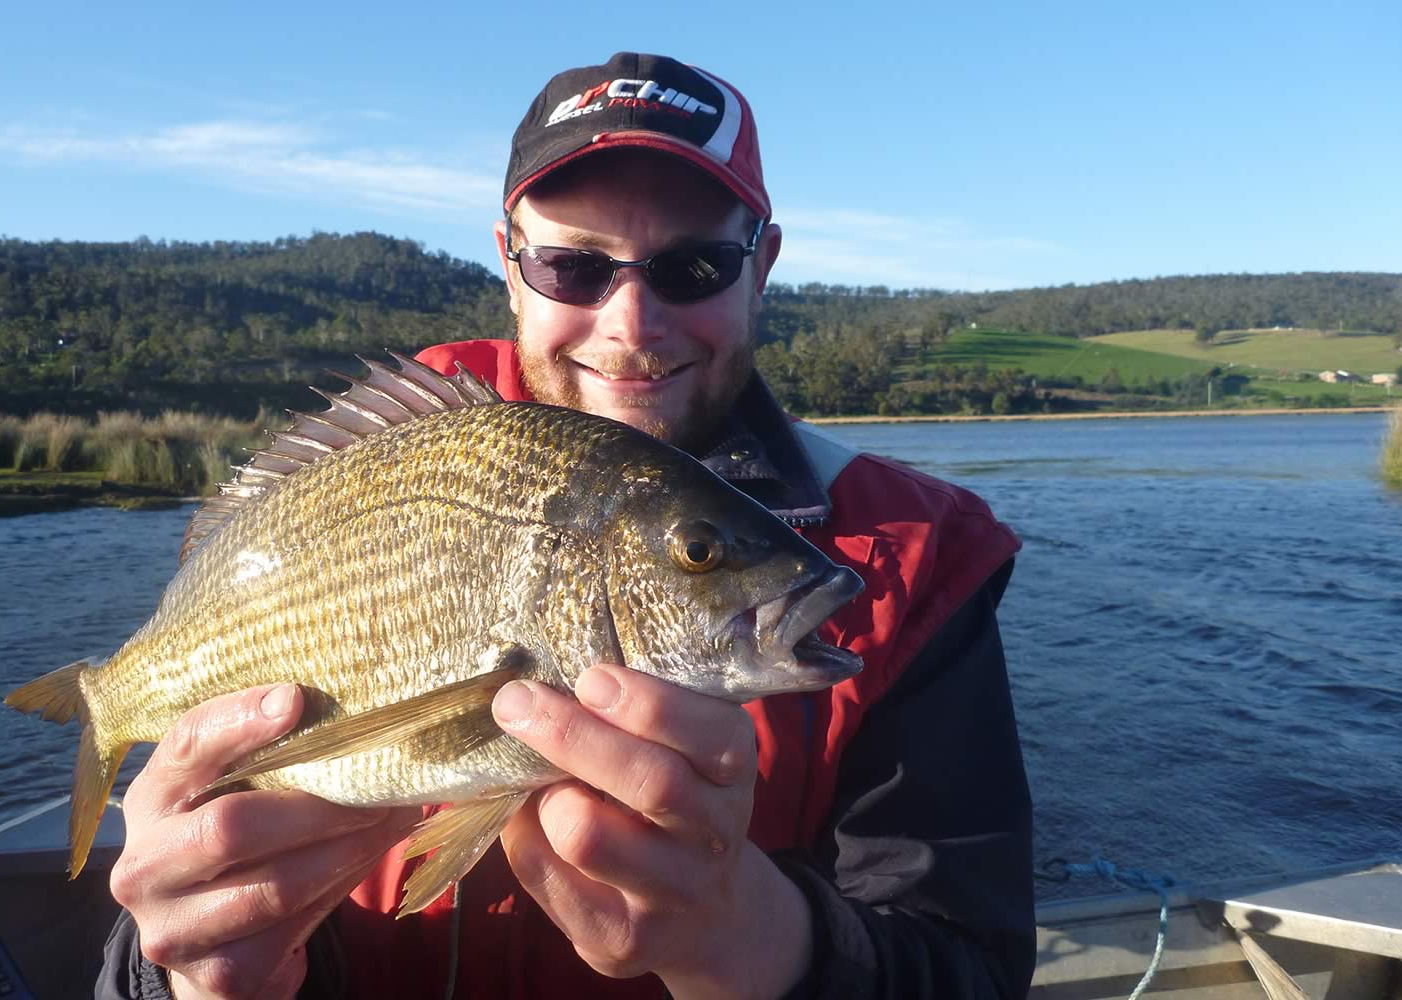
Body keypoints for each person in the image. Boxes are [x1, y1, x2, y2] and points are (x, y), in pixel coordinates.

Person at [99, 52, 1034, 1000]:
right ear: (511, 265)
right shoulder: (365, 482)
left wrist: (743, 937)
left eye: (694, 264)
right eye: (573, 265)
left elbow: (971, 967)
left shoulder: (916, 561)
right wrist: (189, 976)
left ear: (763, 270)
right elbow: (177, 925)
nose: (631, 324)